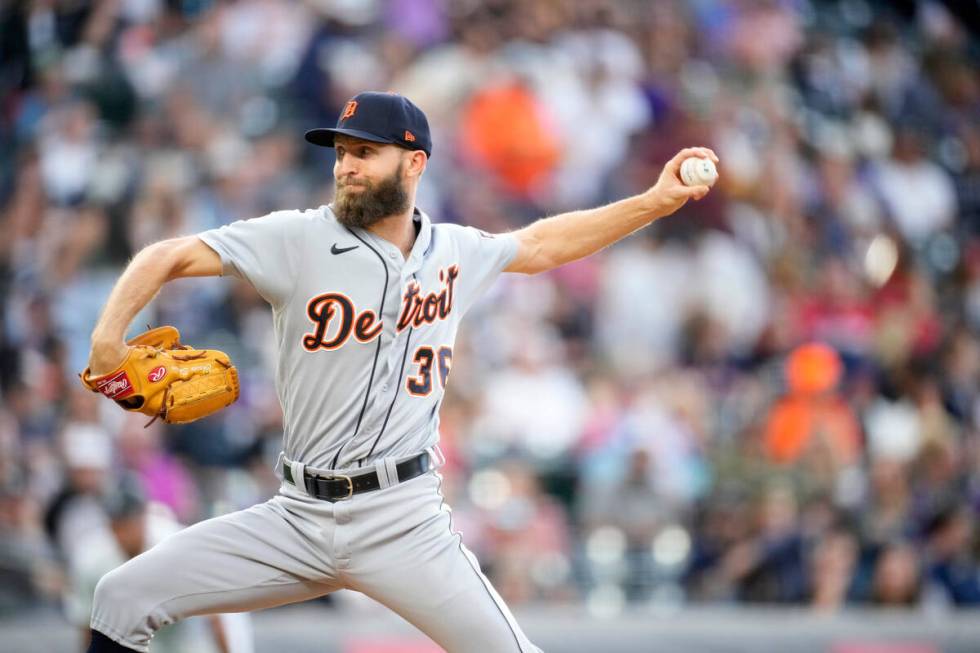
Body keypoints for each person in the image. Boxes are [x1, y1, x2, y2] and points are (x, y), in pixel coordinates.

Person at [83, 91, 717, 652]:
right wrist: (108, 343)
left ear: (414, 163)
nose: (346, 166)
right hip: (296, 515)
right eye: (340, 153)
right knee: (120, 598)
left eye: (365, 153)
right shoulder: (295, 239)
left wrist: (656, 202)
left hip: (402, 520)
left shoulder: (455, 252)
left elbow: (546, 243)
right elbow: (166, 256)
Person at [66, 478, 253, 653]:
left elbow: (215, 617)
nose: (123, 531)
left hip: (194, 630)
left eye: (128, 521)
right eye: (117, 523)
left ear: (143, 516)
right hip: (142, 636)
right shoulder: (91, 558)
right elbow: (87, 625)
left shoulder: (175, 546)